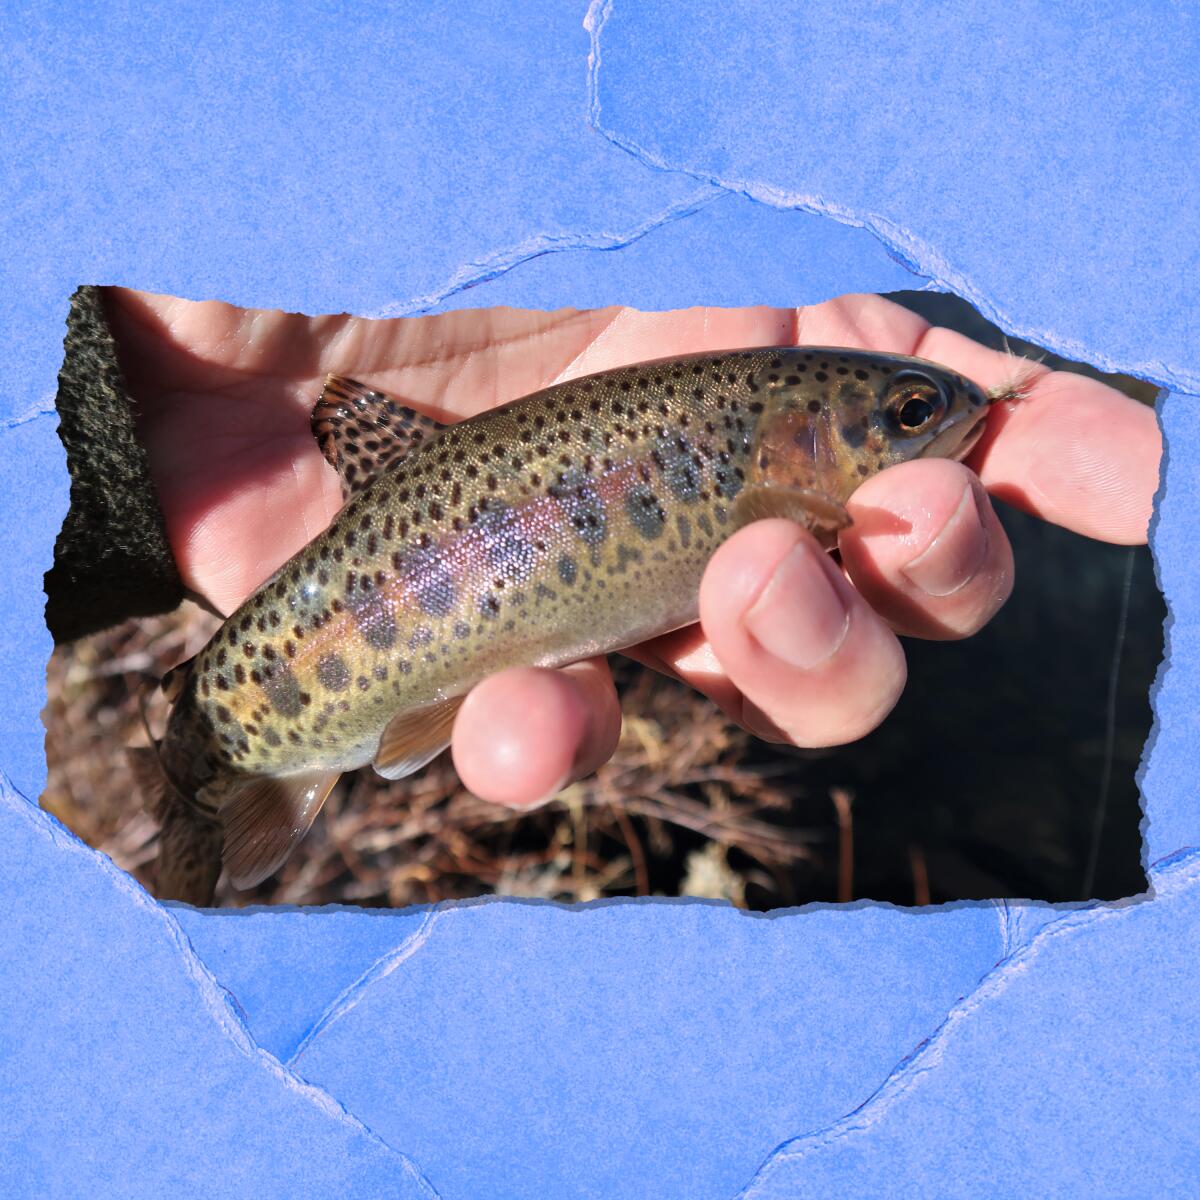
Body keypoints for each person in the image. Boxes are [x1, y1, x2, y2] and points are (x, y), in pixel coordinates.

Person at [52, 287, 1161, 813]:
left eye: (908, 413)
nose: (932, 422)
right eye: (911, 414)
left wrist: (135, 399)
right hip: (261, 694)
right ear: (798, 446)